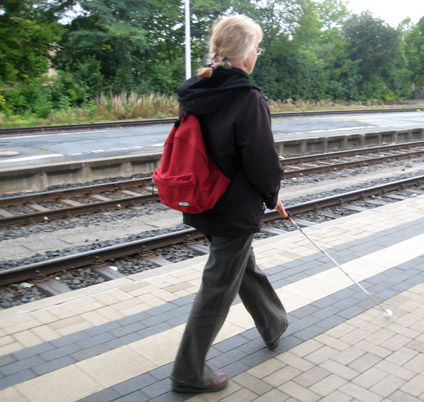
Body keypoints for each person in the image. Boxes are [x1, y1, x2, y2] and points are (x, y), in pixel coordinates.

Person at [169, 14, 289, 394]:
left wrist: (269, 194)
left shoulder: (196, 92)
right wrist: (272, 194)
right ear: (244, 53)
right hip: (233, 207)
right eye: (256, 46)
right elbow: (262, 160)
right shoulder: (246, 97)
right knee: (218, 286)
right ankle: (188, 371)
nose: (258, 53)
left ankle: (273, 323)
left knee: (239, 265)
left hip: (202, 200)